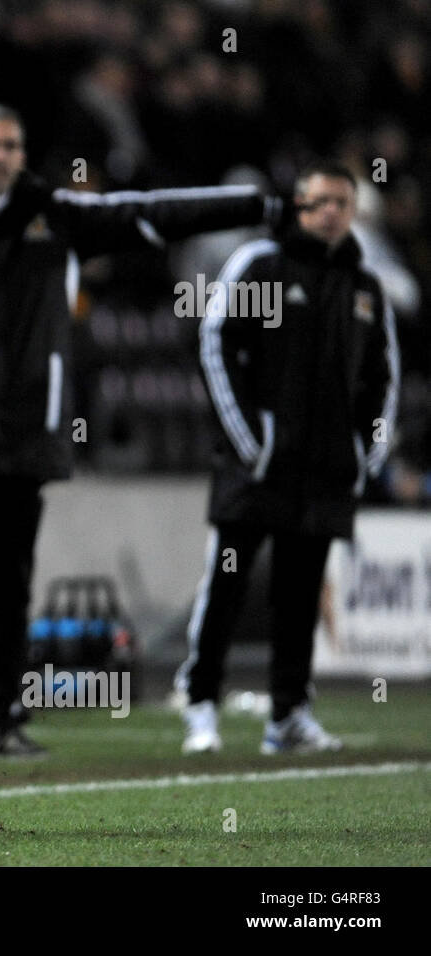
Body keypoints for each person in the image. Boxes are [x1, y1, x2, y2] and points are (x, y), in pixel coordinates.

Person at [0, 102, 279, 756]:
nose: (0, 155)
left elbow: (151, 212)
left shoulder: (57, 217)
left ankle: (3, 719)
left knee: (10, 583)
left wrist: (252, 205)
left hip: (21, 436)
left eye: (11, 145)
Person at [176, 160, 399, 755]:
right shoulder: (261, 264)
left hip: (326, 468)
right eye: (320, 201)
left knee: (300, 597)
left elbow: (384, 376)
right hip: (256, 469)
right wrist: (253, 441)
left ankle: (289, 715)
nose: (331, 212)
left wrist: (367, 448)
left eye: (342, 203)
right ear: (298, 206)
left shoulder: (364, 286)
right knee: (225, 585)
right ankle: (200, 704)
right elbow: (214, 339)